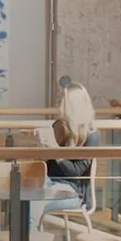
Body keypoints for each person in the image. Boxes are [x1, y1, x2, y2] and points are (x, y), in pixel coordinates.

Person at [43, 78, 100, 215]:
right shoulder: (58, 126)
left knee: (34, 202)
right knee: (24, 194)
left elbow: (75, 172)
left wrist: (55, 151)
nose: (58, 105)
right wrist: (42, 149)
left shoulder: (91, 135)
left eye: (61, 101)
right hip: (49, 182)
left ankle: (29, 229)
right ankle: (29, 228)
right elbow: (49, 166)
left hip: (73, 191)